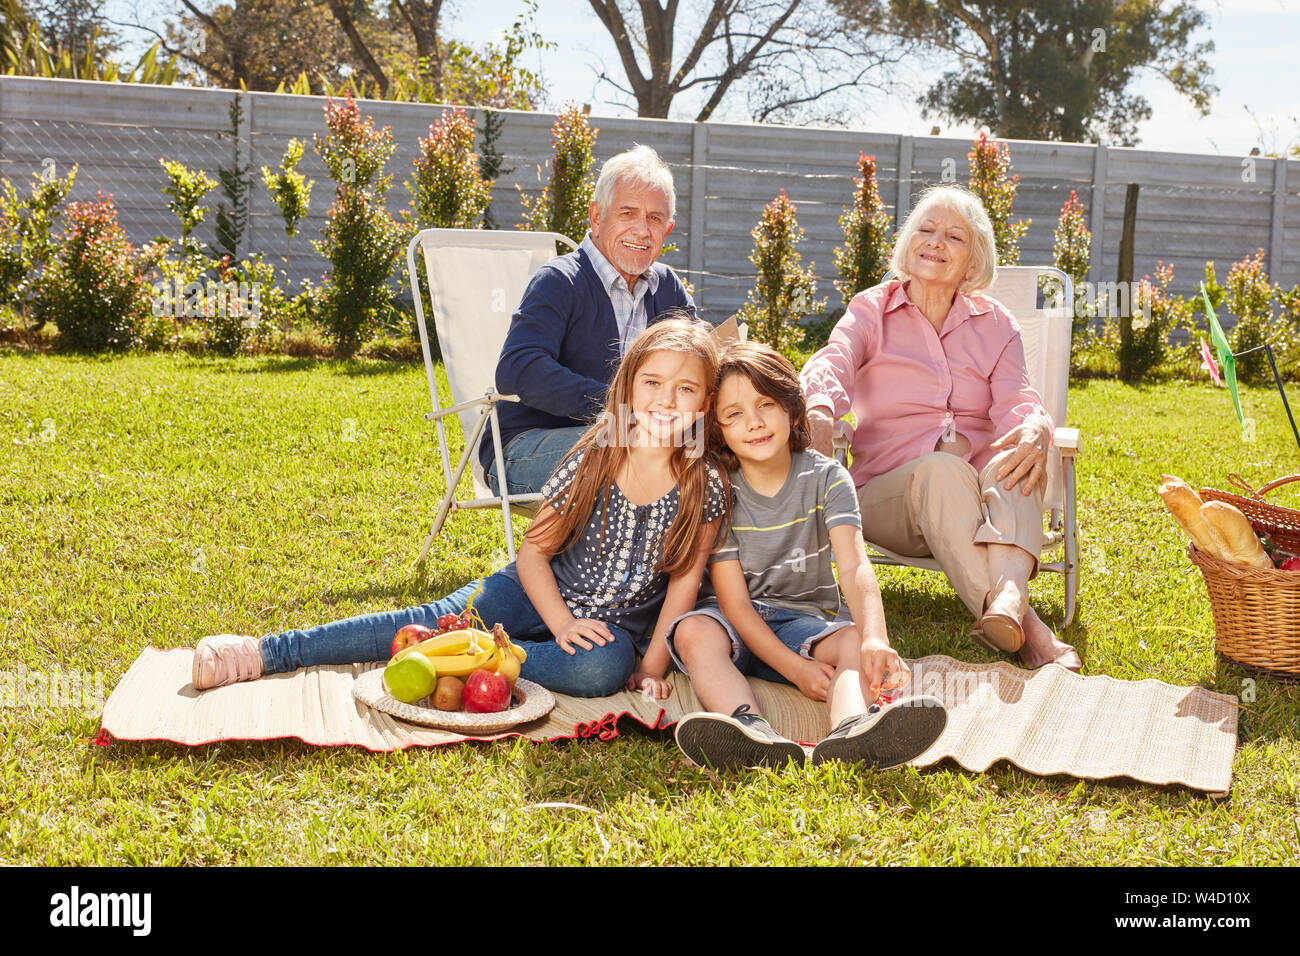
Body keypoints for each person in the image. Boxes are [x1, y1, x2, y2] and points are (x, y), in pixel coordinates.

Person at [192, 318, 728, 699]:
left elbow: (684, 582)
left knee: (604, 670)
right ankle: (270, 652)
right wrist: (560, 621)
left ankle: (475, 653)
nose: (666, 400)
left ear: (705, 404)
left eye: (686, 390)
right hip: (531, 591)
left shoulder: (704, 484)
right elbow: (534, 554)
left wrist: (652, 667)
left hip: (605, 634)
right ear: (628, 388)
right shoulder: (595, 458)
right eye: (653, 383)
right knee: (423, 620)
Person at [800, 184, 1081, 672]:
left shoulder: (997, 324)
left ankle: (1008, 602)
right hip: (891, 500)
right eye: (925, 230)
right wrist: (821, 407)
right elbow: (833, 360)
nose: (935, 242)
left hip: (978, 502)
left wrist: (1036, 426)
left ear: (973, 262)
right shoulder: (872, 310)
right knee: (941, 469)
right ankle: (1031, 627)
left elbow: (1017, 400)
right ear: (908, 244)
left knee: (1019, 454)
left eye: (954, 236)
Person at [670, 342, 948, 770]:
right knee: (693, 634)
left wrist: (875, 638)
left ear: (792, 409)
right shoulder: (718, 488)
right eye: (734, 414)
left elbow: (855, 567)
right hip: (733, 625)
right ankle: (749, 731)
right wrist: (796, 671)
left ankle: (853, 729)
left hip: (803, 622)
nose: (755, 423)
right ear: (718, 429)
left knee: (853, 639)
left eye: (766, 404)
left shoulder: (827, 477)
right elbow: (736, 606)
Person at [484, 144, 696, 496]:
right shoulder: (560, 280)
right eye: (627, 213)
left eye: (655, 219)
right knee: (630, 449)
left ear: (667, 229)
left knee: (716, 453)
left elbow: (701, 361)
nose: (642, 231)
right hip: (526, 447)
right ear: (596, 216)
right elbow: (518, 369)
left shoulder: (668, 288)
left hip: (644, 441)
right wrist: (622, 408)